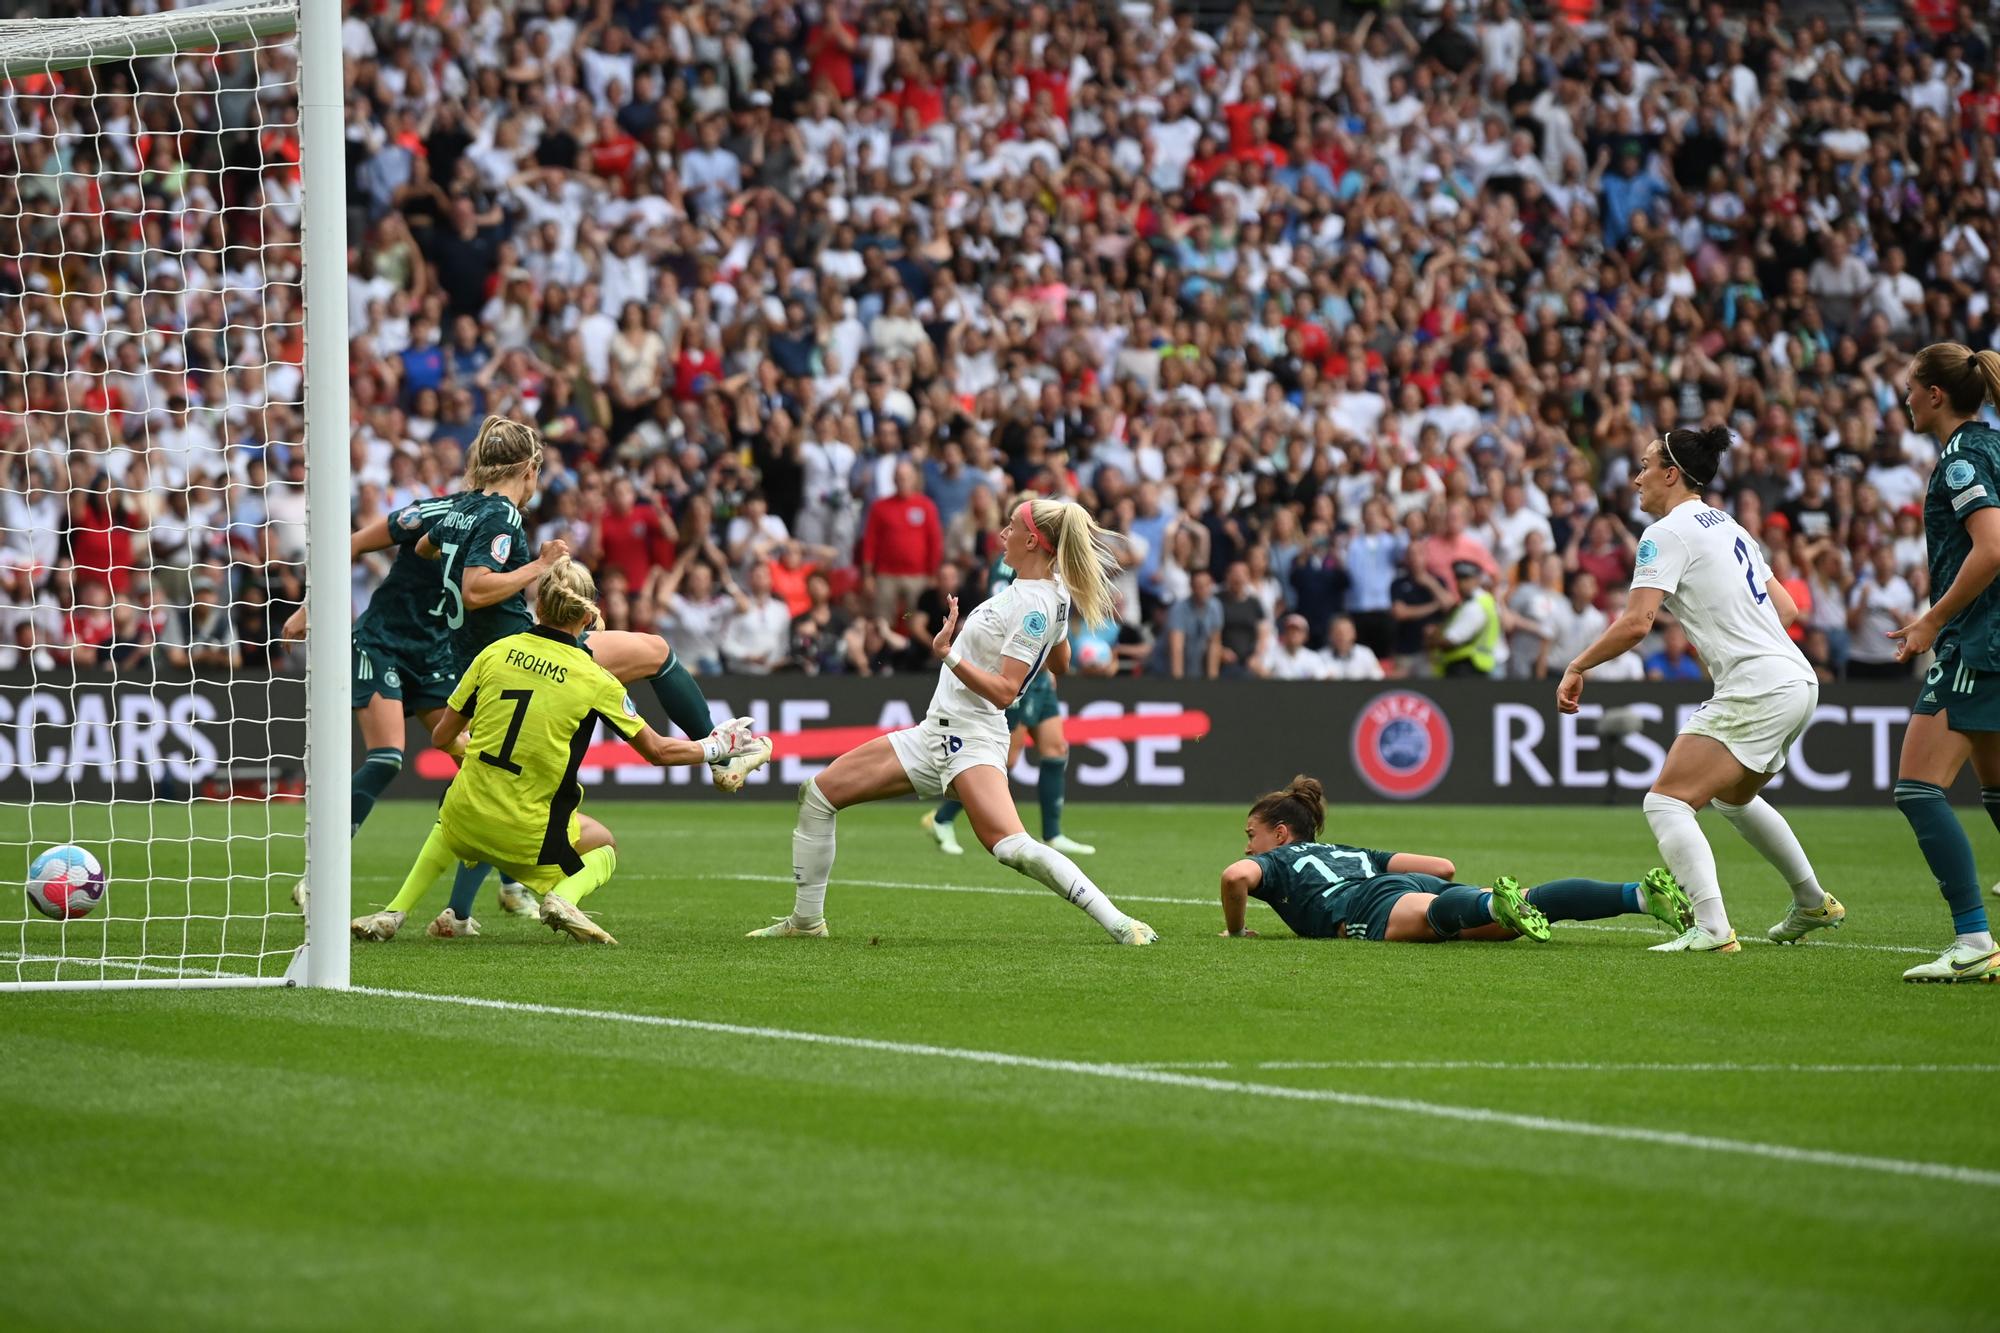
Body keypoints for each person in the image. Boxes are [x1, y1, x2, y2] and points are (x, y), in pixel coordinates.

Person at [355, 417, 769, 939]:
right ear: (529, 469)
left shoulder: (461, 506)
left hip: (479, 660)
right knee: (656, 650)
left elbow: (424, 551)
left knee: (489, 780)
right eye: (538, 474)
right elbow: (480, 588)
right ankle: (720, 749)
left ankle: (457, 914)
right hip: (528, 650)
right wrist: (542, 564)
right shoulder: (503, 514)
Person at [750, 497, 1155, 944]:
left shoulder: (1033, 604)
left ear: (1033, 541)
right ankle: (806, 923)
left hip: (973, 737)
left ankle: (1119, 923)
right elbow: (1061, 661)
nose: (1002, 534)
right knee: (818, 794)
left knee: (1012, 848)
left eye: (1011, 527)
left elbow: (1004, 690)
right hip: (934, 734)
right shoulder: (1050, 595)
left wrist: (950, 653)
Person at [1561, 425, 1841, 955]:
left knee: (1665, 801)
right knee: (1733, 799)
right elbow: (1787, 610)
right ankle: (1811, 901)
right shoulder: (1730, 526)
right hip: (1797, 679)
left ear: (1672, 474)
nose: (1636, 477)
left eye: (1645, 466)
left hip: (1758, 683)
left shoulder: (1665, 532)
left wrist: (1577, 665)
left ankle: (1712, 928)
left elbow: (1637, 622)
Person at [1217, 776, 1691, 943]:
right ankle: (1641, 896)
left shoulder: (1279, 862)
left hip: (1366, 905)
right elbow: (1442, 868)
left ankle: (1493, 905)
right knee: (1530, 903)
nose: (1247, 846)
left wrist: (1236, 931)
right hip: (1416, 886)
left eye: (1252, 835)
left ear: (1280, 834)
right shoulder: (1350, 852)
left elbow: (1235, 875)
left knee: (1442, 917)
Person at [1882, 342, 2000, 982]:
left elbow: (1991, 548)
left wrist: (1934, 618)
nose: (1903, 396)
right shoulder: (1994, 445)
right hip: (1991, 635)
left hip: (1979, 639)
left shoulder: (1961, 460)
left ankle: (1974, 939)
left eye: (1909, 385)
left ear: (1934, 394)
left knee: (1918, 787)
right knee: (1998, 793)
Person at [924, 533, 1095, 857]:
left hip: (1039, 677)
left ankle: (1053, 833)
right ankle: (942, 818)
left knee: (1056, 746)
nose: (1006, 534)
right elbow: (1008, 619)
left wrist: (1048, 650)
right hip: (1015, 670)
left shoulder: (1054, 586)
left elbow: (1059, 655)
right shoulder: (1009, 572)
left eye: (1012, 527)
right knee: (1006, 758)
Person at [1428, 561, 1500, 677]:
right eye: (1459, 579)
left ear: (1477, 579)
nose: (1461, 584)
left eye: (1467, 579)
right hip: (1475, 667)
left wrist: (1432, 640)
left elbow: (1452, 640)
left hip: (1466, 668)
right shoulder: (1478, 602)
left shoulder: (1474, 606)